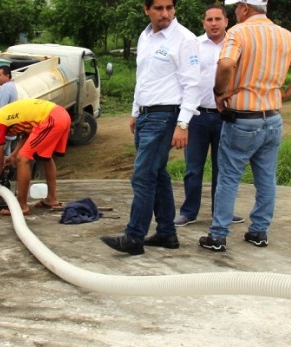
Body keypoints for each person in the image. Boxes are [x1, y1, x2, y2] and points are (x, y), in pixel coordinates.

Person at [200, 0, 291, 252]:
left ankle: (218, 235)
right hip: (272, 118)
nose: (235, 13)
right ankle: (259, 231)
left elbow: (226, 64)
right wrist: (286, 93)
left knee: (229, 178)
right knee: (266, 179)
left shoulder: (238, 32)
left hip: (243, 119)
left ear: (244, 8)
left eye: (235, 8)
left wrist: (220, 91)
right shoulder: (285, 35)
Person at [100, 0, 200, 255]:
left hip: (165, 116)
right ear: (146, 9)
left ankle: (134, 237)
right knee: (158, 176)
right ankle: (167, 233)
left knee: (143, 176)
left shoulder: (184, 38)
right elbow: (142, 77)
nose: (165, 13)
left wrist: (183, 123)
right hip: (146, 115)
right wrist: (135, 111)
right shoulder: (145, 37)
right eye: (158, 8)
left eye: (169, 7)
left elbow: (192, 84)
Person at [174, 4, 244, 227]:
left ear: (226, 22)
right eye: (209, 20)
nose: (213, 23)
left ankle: (221, 212)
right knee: (193, 168)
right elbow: (183, 79)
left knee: (223, 168)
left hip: (226, 117)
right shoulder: (193, 45)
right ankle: (189, 212)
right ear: (203, 22)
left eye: (218, 19)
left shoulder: (236, 46)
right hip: (198, 116)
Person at [0, 99, 70, 216]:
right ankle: (51, 199)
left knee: (22, 159)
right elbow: (27, 134)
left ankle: (21, 206)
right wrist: (13, 155)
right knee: (45, 157)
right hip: (60, 114)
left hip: (52, 118)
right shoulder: (2, 115)